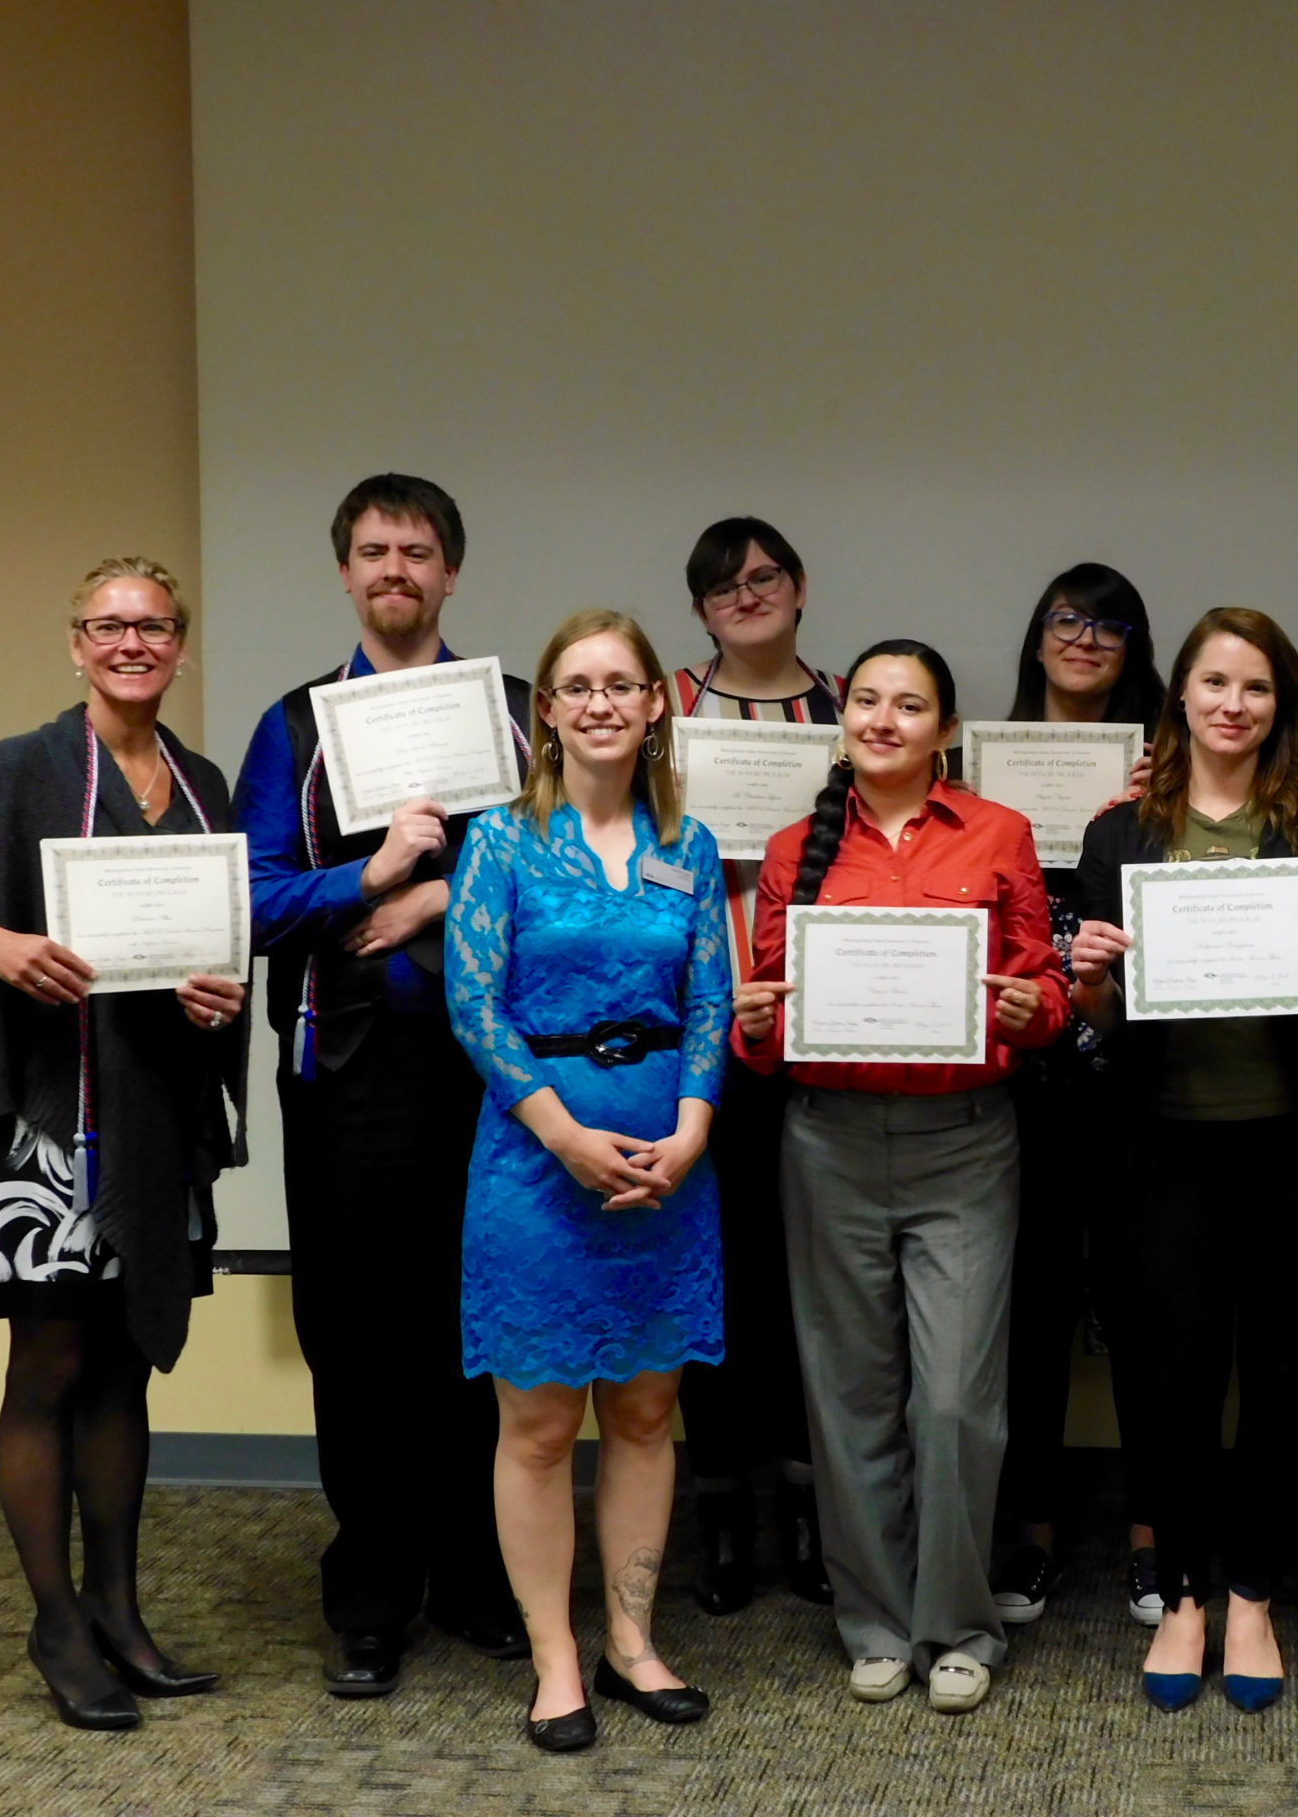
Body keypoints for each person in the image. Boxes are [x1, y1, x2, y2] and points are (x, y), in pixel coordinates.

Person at [0, 558, 247, 1730]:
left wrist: (217, 997)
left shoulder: (200, 782)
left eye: (153, 625)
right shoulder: (18, 769)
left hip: (154, 1126)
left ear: (179, 645)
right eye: (108, 624)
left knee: (126, 1362)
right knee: (47, 1367)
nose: (131, 641)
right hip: (46, 1122)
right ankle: (54, 1622)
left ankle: (119, 1609)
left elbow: (224, 943)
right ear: (75, 644)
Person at [232, 474, 532, 1696]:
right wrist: (367, 883)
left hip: (500, 1075)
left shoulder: (516, 716)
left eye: (416, 550)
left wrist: (438, 892)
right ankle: (370, 1594)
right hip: (347, 1070)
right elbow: (247, 902)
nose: (394, 568)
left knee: (480, 1329)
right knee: (356, 1343)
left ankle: (476, 1576)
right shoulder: (294, 728)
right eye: (372, 550)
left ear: (451, 572)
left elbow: (568, 874)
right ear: (346, 574)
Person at [732, 640, 1069, 1715]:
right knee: (849, 1397)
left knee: (958, 1404)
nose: (883, 719)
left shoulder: (998, 834)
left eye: (908, 705)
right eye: (867, 701)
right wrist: (753, 1027)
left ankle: (959, 1623)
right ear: (845, 719)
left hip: (964, 1142)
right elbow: (770, 1030)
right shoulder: (797, 847)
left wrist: (1035, 1014)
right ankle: (873, 1619)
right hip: (827, 1141)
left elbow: (1045, 985)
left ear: (944, 729)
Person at [1072, 608, 1298, 1713]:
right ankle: (1182, 1597)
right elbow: (1102, 1021)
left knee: (1274, 1376)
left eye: (1255, 688)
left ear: (1280, 706)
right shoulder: (1119, 835)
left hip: (1290, 1150)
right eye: (1213, 683)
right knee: (1170, 1381)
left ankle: (1252, 1593)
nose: (1232, 705)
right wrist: (1091, 979)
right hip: (1162, 1150)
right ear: (1181, 698)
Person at [446, 610, 733, 1752]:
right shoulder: (502, 844)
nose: (602, 703)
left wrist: (695, 1129)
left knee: (649, 1410)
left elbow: (712, 999)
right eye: (579, 686)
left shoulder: (690, 844)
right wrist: (562, 1132)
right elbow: (476, 1004)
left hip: (668, 1163)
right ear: (548, 714)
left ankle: (630, 1641)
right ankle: (555, 1660)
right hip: (533, 1160)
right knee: (539, 1421)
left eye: (623, 683)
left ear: (657, 702)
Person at [990, 563, 1170, 1631]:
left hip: (1145, 1078)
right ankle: (1034, 1534)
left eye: (1112, 625)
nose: (1087, 638)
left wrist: (1154, 816)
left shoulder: (1171, 774)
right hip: (1026, 1081)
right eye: (1068, 618)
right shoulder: (982, 767)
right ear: (1038, 634)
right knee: (1031, 1315)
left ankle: (1156, 1537)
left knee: (1154, 1313)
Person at [670, 516, 842, 1614]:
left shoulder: (848, 704)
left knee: (818, 1295)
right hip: (696, 1038)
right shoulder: (663, 711)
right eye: (722, 586)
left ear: (800, 586)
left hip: (828, 1040)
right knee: (714, 1287)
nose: (747, 596)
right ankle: (727, 1517)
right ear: (698, 608)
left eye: (765, 577)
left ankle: (822, 1511)